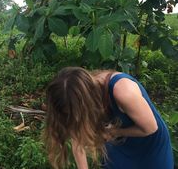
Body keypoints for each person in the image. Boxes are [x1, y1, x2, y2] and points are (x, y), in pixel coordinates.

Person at [43, 66, 174, 169]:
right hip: (119, 146)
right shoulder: (76, 96)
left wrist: (115, 132)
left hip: (149, 149)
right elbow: (77, 139)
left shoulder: (123, 91)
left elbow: (150, 128)